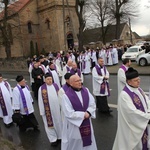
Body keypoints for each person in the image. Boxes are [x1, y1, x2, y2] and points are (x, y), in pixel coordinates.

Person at [113, 67, 150, 150]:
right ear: (129, 82)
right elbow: (132, 113)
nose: (139, 81)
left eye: (139, 79)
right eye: (136, 80)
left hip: (142, 122)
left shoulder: (138, 89)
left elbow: (146, 100)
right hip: (132, 128)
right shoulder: (124, 95)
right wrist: (147, 117)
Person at [61, 75, 97, 150]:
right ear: (71, 83)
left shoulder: (86, 90)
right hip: (75, 125)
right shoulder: (66, 96)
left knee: (89, 140)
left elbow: (92, 103)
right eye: (77, 81)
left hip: (87, 122)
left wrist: (89, 112)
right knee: (77, 141)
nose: (80, 82)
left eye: (80, 80)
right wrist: (83, 115)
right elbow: (68, 113)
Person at [38, 73, 62, 146]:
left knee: (58, 123)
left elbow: (60, 96)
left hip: (57, 109)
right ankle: (53, 139)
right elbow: (40, 100)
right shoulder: (42, 89)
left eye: (50, 79)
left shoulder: (55, 86)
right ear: (45, 80)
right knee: (49, 126)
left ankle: (59, 136)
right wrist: (42, 111)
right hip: (48, 110)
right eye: (48, 79)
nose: (50, 81)